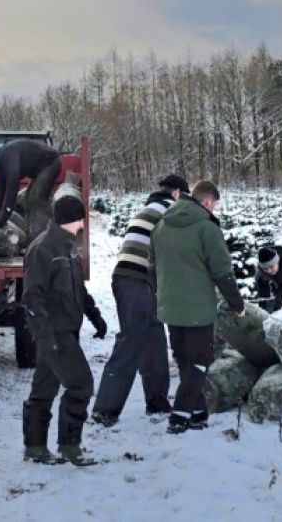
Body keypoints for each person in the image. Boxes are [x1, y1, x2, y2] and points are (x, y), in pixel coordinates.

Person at [90, 174, 190, 427]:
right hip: (134, 279)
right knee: (131, 339)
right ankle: (104, 409)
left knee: (155, 338)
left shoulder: (147, 209)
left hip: (135, 280)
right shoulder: (169, 209)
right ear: (177, 192)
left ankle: (157, 402)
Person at [151, 180, 245, 434]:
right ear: (207, 202)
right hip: (197, 309)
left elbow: (153, 264)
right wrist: (237, 304)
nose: (213, 209)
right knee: (200, 361)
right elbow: (222, 271)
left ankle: (198, 412)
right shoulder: (206, 228)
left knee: (184, 359)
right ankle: (180, 415)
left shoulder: (161, 225)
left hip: (170, 307)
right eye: (213, 205)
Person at [21, 196, 107, 466]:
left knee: (43, 391)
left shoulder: (67, 247)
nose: (83, 223)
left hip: (66, 330)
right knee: (81, 385)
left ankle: (35, 448)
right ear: (69, 219)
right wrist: (47, 339)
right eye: (80, 218)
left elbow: (77, 289)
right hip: (55, 334)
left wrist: (94, 315)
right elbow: (32, 299)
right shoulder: (42, 250)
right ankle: (70, 446)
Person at [0, 139, 62, 232]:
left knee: (35, 200)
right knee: (27, 201)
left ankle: (42, 233)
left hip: (50, 163)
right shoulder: (0, 161)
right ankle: (30, 231)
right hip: (40, 169)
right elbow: (0, 190)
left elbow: (12, 187)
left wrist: (3, 217)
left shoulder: (7, 155)